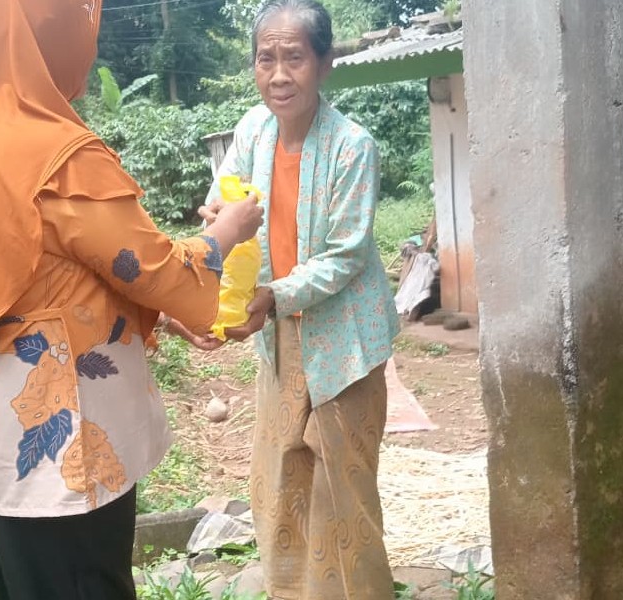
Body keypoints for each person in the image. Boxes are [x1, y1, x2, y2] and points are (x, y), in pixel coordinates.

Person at [0, 1, 262, 599]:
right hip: (60, 461)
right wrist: (227, 231)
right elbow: (145, 267)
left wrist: (159, 315)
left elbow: (40, 279)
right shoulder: (56, 155)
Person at [198, 1, 400, 598]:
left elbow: (346, 255)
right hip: (279, 331)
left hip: (345, 339)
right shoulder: (251, 131)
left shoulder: (351, 147)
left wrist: (272, 296)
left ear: (324, 63)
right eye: (266, 59)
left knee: (343, 492)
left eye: (295, 58)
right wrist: (216, 228)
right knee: (283, 477)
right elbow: (226, 211)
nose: (279, 75)